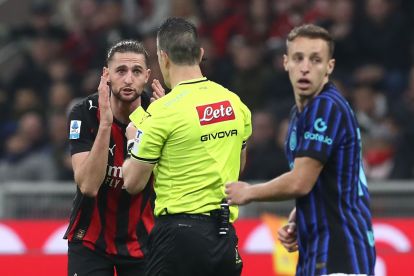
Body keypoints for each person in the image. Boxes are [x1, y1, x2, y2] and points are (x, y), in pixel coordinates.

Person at [225, 24, 376, 276]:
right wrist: (303, 212)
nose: (305, 67)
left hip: (342, 254)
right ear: (285, 63)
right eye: (298, 58)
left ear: (330, 67)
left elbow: (301, 182)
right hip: (315, 252)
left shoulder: (326, 107)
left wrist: (249, 192)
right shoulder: (299, 114)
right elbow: (329, 178)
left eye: (316, 60)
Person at [122, 17, 251, 276]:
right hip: (225, 236)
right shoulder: (235, 103)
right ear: (200, 53)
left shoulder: (162, 112)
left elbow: (133, 183)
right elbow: (238, 166)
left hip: (178, 238)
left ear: (163, 57)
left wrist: (134, 137)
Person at [64, 40, 164, 276]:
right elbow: (88, 186)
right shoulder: (85, 112)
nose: (128, 79)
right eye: (121, 71)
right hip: (90, 240)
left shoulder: (159, 114)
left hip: (143, 242)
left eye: (136, 71)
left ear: (147, 76)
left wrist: (159, 126)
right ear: (106, 75)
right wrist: (106, 124)